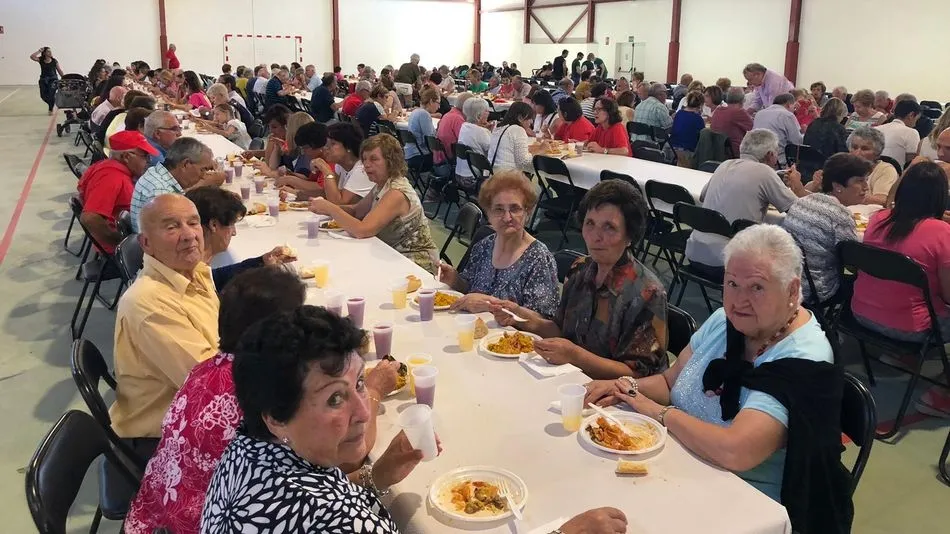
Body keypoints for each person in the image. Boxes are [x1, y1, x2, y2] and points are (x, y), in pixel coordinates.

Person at [584, 224, 850, 533]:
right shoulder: (727, 321)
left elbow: (734, 450)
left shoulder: (804, 359)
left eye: (757, 287)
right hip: (683, 465)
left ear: (792, 291)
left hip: (745, 499)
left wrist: (659, 413)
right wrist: (625, 389)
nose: (740, 300)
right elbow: (670, 383)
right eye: (732, 283)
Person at [490, 180, 668, 379]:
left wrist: (575, 356)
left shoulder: (647, 292)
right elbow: (559, 329)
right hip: (568, 378)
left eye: (609, 227)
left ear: (630, 236)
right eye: (590, 223)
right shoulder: (579, 268)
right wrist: (520, 316)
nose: (595, 236)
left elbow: (640, 375)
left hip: (615, 398)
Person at [111, 194, 219, 445]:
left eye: (193, 223)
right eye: (172, 227)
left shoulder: (193, 271)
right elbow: (209, 385)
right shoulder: (149, 303)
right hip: (167, 435)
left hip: (194, 403)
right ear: (146, 243)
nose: (189, 234)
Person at [850, 161, 950, 418]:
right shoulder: (941, 232)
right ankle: (941, 396)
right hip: (911, 328)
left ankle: (900, 356)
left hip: (860, 315)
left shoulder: (878, 220)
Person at [685, 129, 808, 281]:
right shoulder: (764, 172)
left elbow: (703, 196)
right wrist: (799, 186)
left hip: (694, 252)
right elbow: (798, 211)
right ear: (770, 155)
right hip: (728, 262)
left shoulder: (724, 165)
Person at [309, 134, 439, 273]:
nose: (367, 164)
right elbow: (356, 211)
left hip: (415, 265)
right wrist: (322, 207)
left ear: (391, 161)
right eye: (364, 159)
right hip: (389, 255)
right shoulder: (382, 185)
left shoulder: (397, 192)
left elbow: (362, 230)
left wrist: (330, 208)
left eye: (374, 159)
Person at [439, 170, 558, 316]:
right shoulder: (484, 246)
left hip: (511, 337)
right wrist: (454, 279)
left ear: (527, 212)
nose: (507, 218)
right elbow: (468, 287)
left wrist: (489, 305)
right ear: (488, 213)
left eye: (515, 209)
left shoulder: (538, 258)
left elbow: (543, 321)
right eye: (499, 210)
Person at [783, 153, 871, 303]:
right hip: (818, 289)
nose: (866, 187)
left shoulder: (802, 201)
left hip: (789, 279)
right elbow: (849, 262)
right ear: (837, 186)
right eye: (859, 181)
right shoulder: (839, 214)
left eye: (866, 181)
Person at [77, 131, 157, 254]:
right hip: (119, 247)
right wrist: (122, 244)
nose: (148, 161)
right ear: (126, 157)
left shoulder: (111, 168)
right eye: (145, 156)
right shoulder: (112, 177)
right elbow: (89, 218)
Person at [130, 137, 220, 232]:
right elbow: (170, 238)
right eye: (203, 169)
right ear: (186, 164)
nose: (203, 176)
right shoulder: (160, 193)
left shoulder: (156, 172)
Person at [310, 121, 375, 205]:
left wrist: (327, 172)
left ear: (348, 146)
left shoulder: (362, 170)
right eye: (327, 144)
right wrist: (296, 193)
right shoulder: (340, 166)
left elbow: (338, 203)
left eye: (333, 144)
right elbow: (330, 193)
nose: (326, 148)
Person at [848, 126, 897, 206]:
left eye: (864, 149)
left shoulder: (885, 170)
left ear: (877, 153)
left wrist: (845, 194)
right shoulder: (842, 166)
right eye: (854, 147)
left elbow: (882, 201)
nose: (857, 153)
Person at [752, 93, 804, 165]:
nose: (794, 110)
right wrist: (805, 133)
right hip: (778, 161)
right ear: (789, 104)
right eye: (794, 107)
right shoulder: (787, 115)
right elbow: (797, 142)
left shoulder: (759, 113)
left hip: (757, 158)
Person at [487, 102, 537, 173]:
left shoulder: (498, 128)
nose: (531, 122)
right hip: (507, 177)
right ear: (520, 118)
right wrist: (540, 150)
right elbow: (524, 163)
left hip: (492, 173)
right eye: (529, 118)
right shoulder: (518, 130)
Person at [454, 98, 492, 189]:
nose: (489, 113)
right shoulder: (481, 132)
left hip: (459, 174)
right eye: (486, 111)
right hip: (473, 178)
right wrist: (490, 132)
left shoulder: (464, 126)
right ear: (478, 114)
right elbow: (493, 150)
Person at [710, 87, 754, 156]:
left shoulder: (718, 110)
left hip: (717, 151)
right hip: (735, 152)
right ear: (743, 100)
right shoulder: (739, 112)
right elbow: (753, 129)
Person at [875, 100, 921, 165]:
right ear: (911, 115)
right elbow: (911, 162)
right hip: (897, 173)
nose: (915, 124)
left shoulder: (876, 130)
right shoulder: (912, 132)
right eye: (916, 119)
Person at [435, 91, 472, 166]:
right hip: (450, 158)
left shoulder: (448, 114)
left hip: (440, 156)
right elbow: (466, 141)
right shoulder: (458, 119)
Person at [670, 91, 706, 163]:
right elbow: (702, 137)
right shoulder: (698, 119)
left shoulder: (679, 113)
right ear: (701, 104)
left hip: (672, 149)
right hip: (687, 152)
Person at [30, 47, 63, 114]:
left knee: (51, 94)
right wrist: (39, 51)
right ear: (44, 53)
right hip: (43, 79)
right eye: (48, 51)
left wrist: (65, 77)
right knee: (43, 96)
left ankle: (50, 109)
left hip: (53, 80)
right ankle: (52, 103)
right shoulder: (41, 60)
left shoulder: (54, 61)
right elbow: (32, 57)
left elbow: (59, 70)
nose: (50, 53)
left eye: (50, 51)